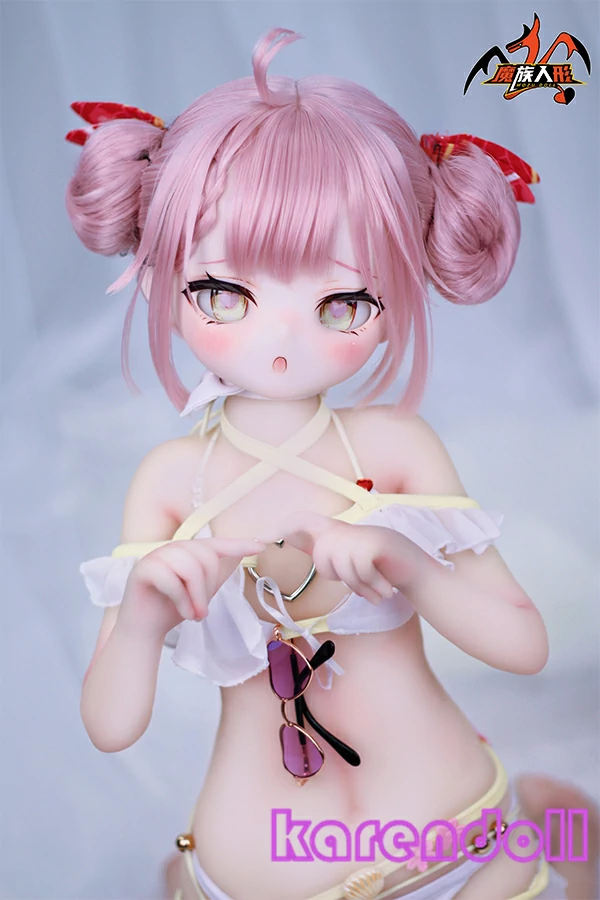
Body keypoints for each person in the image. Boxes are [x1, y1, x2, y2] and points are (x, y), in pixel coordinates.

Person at [67, 27, 598, 900]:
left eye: (342, 302)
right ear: (162, 277)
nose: (282, 337)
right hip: (264, 871)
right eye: (225, 293)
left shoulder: (394, 446)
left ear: (399, 296)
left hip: (458, 842)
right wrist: (141, 620)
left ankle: (554, 820)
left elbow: (523, 645)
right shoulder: (170, 480)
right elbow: (111, 725)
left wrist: (409, 566)